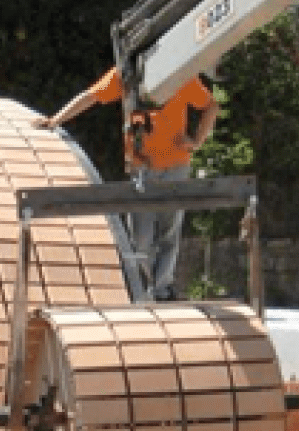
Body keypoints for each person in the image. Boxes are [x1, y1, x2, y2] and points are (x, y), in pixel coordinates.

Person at [34, 68, 219, 301]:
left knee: (169, 230)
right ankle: (144, 289)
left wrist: (196, 141)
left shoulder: (178, 73)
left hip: (175, 166)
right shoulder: (127, 74)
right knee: (140, 237)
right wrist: (55, 120)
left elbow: (211, 106)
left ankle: (162, 290)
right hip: (142, 167)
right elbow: (91, 96)